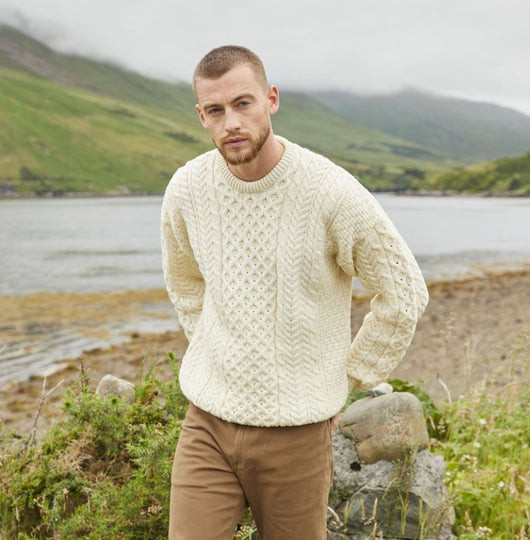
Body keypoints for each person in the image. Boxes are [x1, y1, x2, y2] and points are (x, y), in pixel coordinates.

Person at [161, 45, 429, 540]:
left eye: (243, 103)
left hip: (297, 435)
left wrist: (349, 376)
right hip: (207, 425)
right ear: (201, 115)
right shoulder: (186, 189)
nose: (231, 122)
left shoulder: (330, 192)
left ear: (271, 99)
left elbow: (403, 292)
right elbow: (185, 282)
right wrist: (212, 348)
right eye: (215, 110)